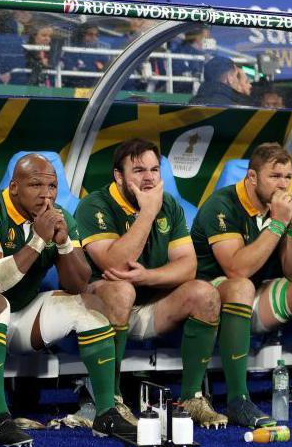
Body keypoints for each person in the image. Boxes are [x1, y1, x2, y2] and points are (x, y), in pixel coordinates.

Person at [0, 154, 137, 443]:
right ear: (14, 187)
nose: (46, 194)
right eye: (35, 185)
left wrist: (64, 243)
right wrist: (38, 240)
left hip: (22, 316)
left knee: (89, 306)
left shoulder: (60, 215)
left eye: (52, 186)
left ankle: (106, 412)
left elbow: (77, 284)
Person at [191, 143, 292, 426]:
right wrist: (277, 223)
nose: (283, 185)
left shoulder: (280, 207)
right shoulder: (222, 204)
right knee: (241, 286)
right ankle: (237, 398)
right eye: (275, 176)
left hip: (256, 292)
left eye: (287, 177)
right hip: (211, 295)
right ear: (252, 177)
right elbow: (236, 268)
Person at [76, 139, 226, 428]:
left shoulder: (168, 204)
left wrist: (148, 276)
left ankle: (192, 398)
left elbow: (188, 266)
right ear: (119, 176)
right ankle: (111, 401)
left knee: (205, 293)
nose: (149, 178)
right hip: (103, 307)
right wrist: (146, 213)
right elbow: (115, 265)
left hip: (152, 302)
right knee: (121, 289)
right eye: (139, 170)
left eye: (154, 170)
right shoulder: (94, 205)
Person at [189, 56, 254, 107]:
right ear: (230, 77)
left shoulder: (192, 103)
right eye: (236, 76)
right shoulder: (238, 108)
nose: (237, 81)